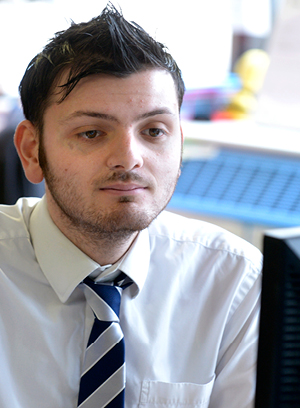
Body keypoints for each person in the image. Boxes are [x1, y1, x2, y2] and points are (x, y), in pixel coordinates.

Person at [0, 4, 262, 408]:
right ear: (32, 151)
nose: (129, 158)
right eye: (91, 133)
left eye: (154, 131)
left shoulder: (233, 281)